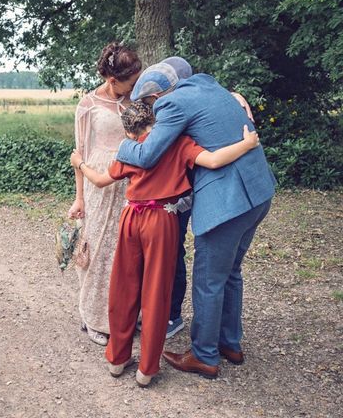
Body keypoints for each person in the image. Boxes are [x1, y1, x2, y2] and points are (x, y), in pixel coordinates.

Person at [70, 79, 260, 387]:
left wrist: (79, 162)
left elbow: (101, 180)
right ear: (157, 122)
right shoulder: (180, 144)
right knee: (156, 291)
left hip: (131, 217)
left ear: (128, 130)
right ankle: (147, 369)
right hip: (162, 219)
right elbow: (213, 160)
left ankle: (117, 359)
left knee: (124, 286)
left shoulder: (127, 149)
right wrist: (246, 144)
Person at [115, 62, 276, 379]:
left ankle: (204, 355)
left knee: (208, 280)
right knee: (230, 273)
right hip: (259, 191)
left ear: (157, 96)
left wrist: (121, 148)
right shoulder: (209, 85)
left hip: (228, 203)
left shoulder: (172, 103)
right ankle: (229, 343)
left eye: (149, 104)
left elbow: (148, 156)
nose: (153, 113)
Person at [67, 42, 142, 346]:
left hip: (127, 179)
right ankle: (92, 318)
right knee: (95, 250)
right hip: (97, 179)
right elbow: (79, 152)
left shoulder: (133, 100)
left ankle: (120, 315)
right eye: (130, 81)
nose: (134, 86)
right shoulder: (88, 105)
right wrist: (80, 197)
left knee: (122, 252)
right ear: (112, 79)